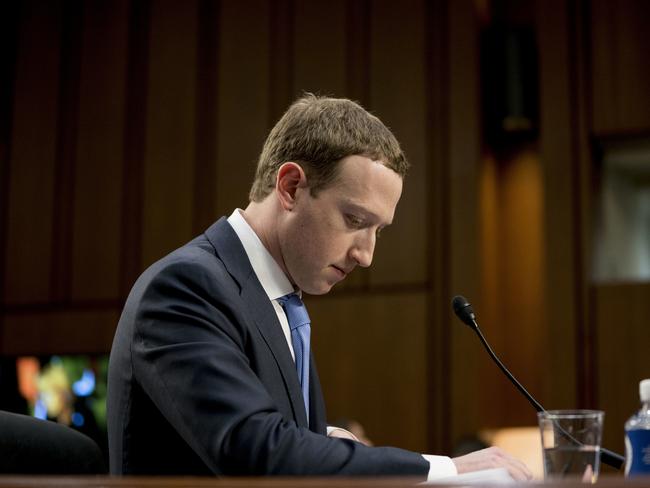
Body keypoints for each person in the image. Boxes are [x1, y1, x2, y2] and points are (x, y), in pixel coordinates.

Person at [107, 94, 531, 480]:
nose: (366, 255)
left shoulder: (280, 299)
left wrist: (324, 439)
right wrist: (444, 469)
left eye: (378, 231)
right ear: (291, 187)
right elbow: (255, 451)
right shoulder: (186, 287)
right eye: (355, 221)